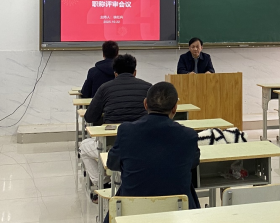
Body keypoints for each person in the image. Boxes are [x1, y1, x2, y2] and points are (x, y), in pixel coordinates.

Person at [103, 82, 200, 223]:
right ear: (175, 108)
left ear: (145, 104)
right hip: (177, 212)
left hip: (133, 212)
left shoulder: (126, 131)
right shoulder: (188, 135)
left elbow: (112, 163)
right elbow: (193, 162)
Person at [80, 53, 151, 194]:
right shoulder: (148, 87)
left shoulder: (105, 88)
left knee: (83, 146)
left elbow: (89, 116)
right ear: (135, 72)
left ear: (115, 73)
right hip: (144, 144)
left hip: (113, 146)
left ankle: (103, 184)